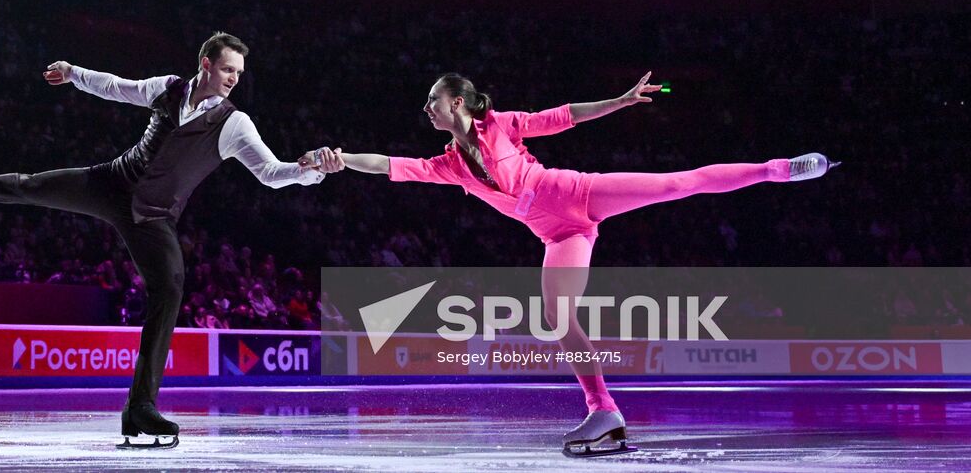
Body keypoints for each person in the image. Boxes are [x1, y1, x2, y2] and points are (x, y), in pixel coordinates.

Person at [316, 71, 839, 456]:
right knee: (558, 320)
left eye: (432, 99)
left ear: (457, 101)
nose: (425, 107)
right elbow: (391, 165)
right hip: (559, 234)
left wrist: (622, 100)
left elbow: (565, 116)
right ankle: (603, 412)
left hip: (580, 194)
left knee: (678, 183)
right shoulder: (448, 166)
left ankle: (778, 169)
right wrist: (342, 160)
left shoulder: (503, 125)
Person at [0, 32, 330, 448]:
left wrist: (310, 169)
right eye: (227, 69)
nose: (234, 78)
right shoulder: (169, 89)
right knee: (32, 185)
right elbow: (117, 88)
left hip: (153, 217)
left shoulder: (235, 124)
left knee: (170, 288)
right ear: (206, 64)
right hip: (112, 182)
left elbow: (272, 175)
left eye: (239, 72)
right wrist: (72, 72)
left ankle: (140, 406)